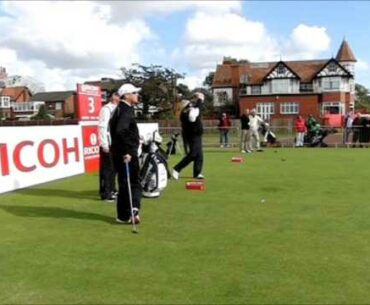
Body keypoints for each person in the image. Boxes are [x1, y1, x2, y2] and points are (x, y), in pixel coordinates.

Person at [110, 83, 142, 224]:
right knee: (133, 182)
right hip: (126, 153)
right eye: (134, 93)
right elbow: (120, 131)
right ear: (127, 95)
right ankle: (133, 209)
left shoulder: (120, 109)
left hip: (120, 152)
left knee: (124, 183)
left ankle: (123, 215)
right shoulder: (125, 110)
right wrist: (128, 151)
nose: (137, 95)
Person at [172, 92, 205, 180]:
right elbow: (195, 114)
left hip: (196, 134)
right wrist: (200, 99)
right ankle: (177, 168)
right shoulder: (187, 113)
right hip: (192, 135)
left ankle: (197, 173)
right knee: (193, 154)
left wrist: (199, 99)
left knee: (199, 154)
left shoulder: (189, 110)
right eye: (189, 105)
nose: (191, 105)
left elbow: (197, 108)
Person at [98, 92, 120, 202]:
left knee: (114, 169)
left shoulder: (118, 108)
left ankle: (112, 189)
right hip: (108, 143)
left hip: (115, 143)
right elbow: (102, 126)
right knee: (107, 169)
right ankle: (106, 192)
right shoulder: (106, 109)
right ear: (113, 97)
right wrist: (104, 144)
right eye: (118, 95)